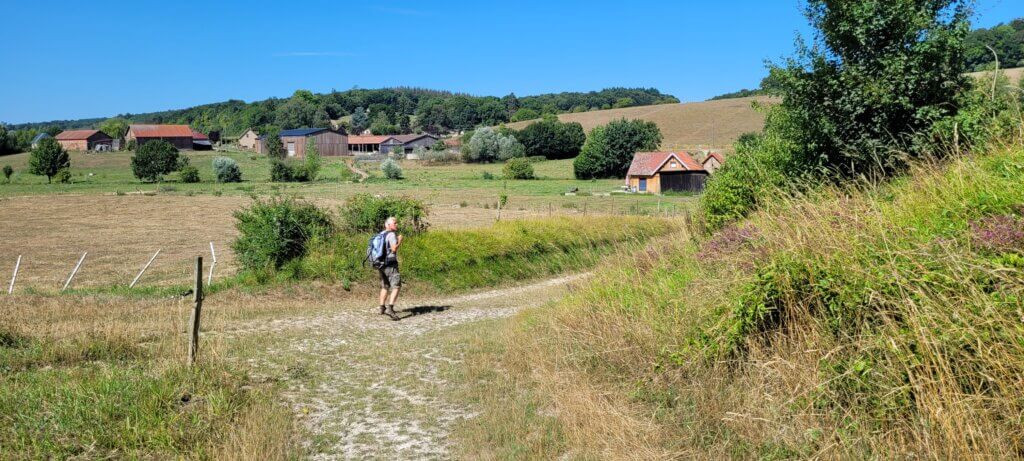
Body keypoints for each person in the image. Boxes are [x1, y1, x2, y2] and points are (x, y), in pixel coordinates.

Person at [377, 216, 403, 321]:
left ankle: (382, 307)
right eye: (395, 223)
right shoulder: (391, 234)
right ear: (388, 225)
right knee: (397, 286)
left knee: (385, 286)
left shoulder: (381, 234)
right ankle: (390, 309)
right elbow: (394, 249)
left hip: (380, 264)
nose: (397, 225)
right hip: (390, 264)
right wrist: (399, 240)